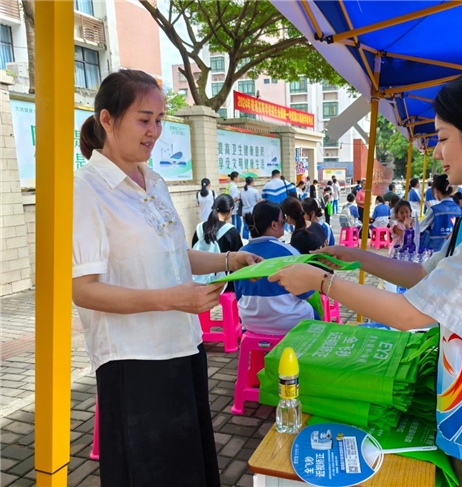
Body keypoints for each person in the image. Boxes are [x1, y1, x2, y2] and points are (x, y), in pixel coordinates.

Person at [269, 69, 462, 487]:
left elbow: (413, 313)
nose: (437, 153)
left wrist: (321, 283)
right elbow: (423, 277)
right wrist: (352, 255)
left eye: (444, 137)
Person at [72, 69, 259, 487]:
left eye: (159, 120)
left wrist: (230, 260)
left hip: (182, 345)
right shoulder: (85, 191)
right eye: (143, 119)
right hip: (133, 362)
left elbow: (175, 254)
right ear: (107, 119)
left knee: (188, 468)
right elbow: (82, 290)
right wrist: (171, 299)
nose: (154, 131)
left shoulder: (153, 181)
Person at [235, 201, 316, 335]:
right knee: (315, 312)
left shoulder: (240, 254)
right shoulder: (289, 252)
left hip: (251, 323)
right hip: (289, 323)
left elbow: (239, 295)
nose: (285, 223)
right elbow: (307, 293)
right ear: (274, 224)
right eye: (283, 220)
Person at [192, 194, 244, 293]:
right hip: (224, 283)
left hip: (199, 280)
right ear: (231, 209)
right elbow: (238, 258)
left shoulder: (199, 228)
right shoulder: (231, 231)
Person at [423, 174, 462, 252]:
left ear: (436, 191)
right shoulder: (459, 210)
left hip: (434, 252)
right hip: (452, 252)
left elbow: (420, 228)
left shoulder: (434, 210)